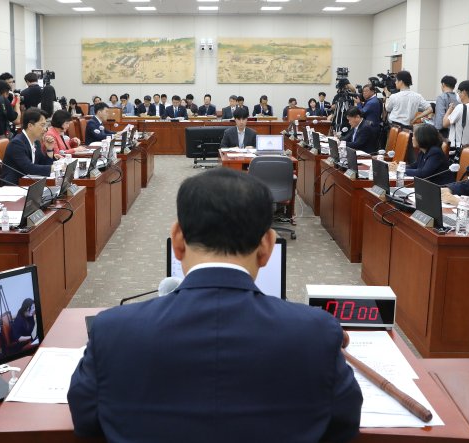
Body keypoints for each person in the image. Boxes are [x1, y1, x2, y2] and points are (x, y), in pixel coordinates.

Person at [68, 167, 363, 442]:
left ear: (178, 241)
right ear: (267, 247)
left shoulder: (111, 331)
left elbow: (87, 423)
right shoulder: (317, 333)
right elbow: (344, 426)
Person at [1, 108, 55, 185]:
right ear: (30, 126)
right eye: (42, 125)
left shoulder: (36, 142)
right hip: (15, 187)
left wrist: (49, 150)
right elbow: (29, 168)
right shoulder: (17, 143)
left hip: (30, 184)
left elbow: (42, 164)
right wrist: (54, 168)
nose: (45, 129)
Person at [443, 80, 469, 148]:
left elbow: (445, 123)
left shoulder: (460, 107)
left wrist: (450, 109)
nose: (458, 94)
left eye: (459, 91)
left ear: (464, 92)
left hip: (458, 150)